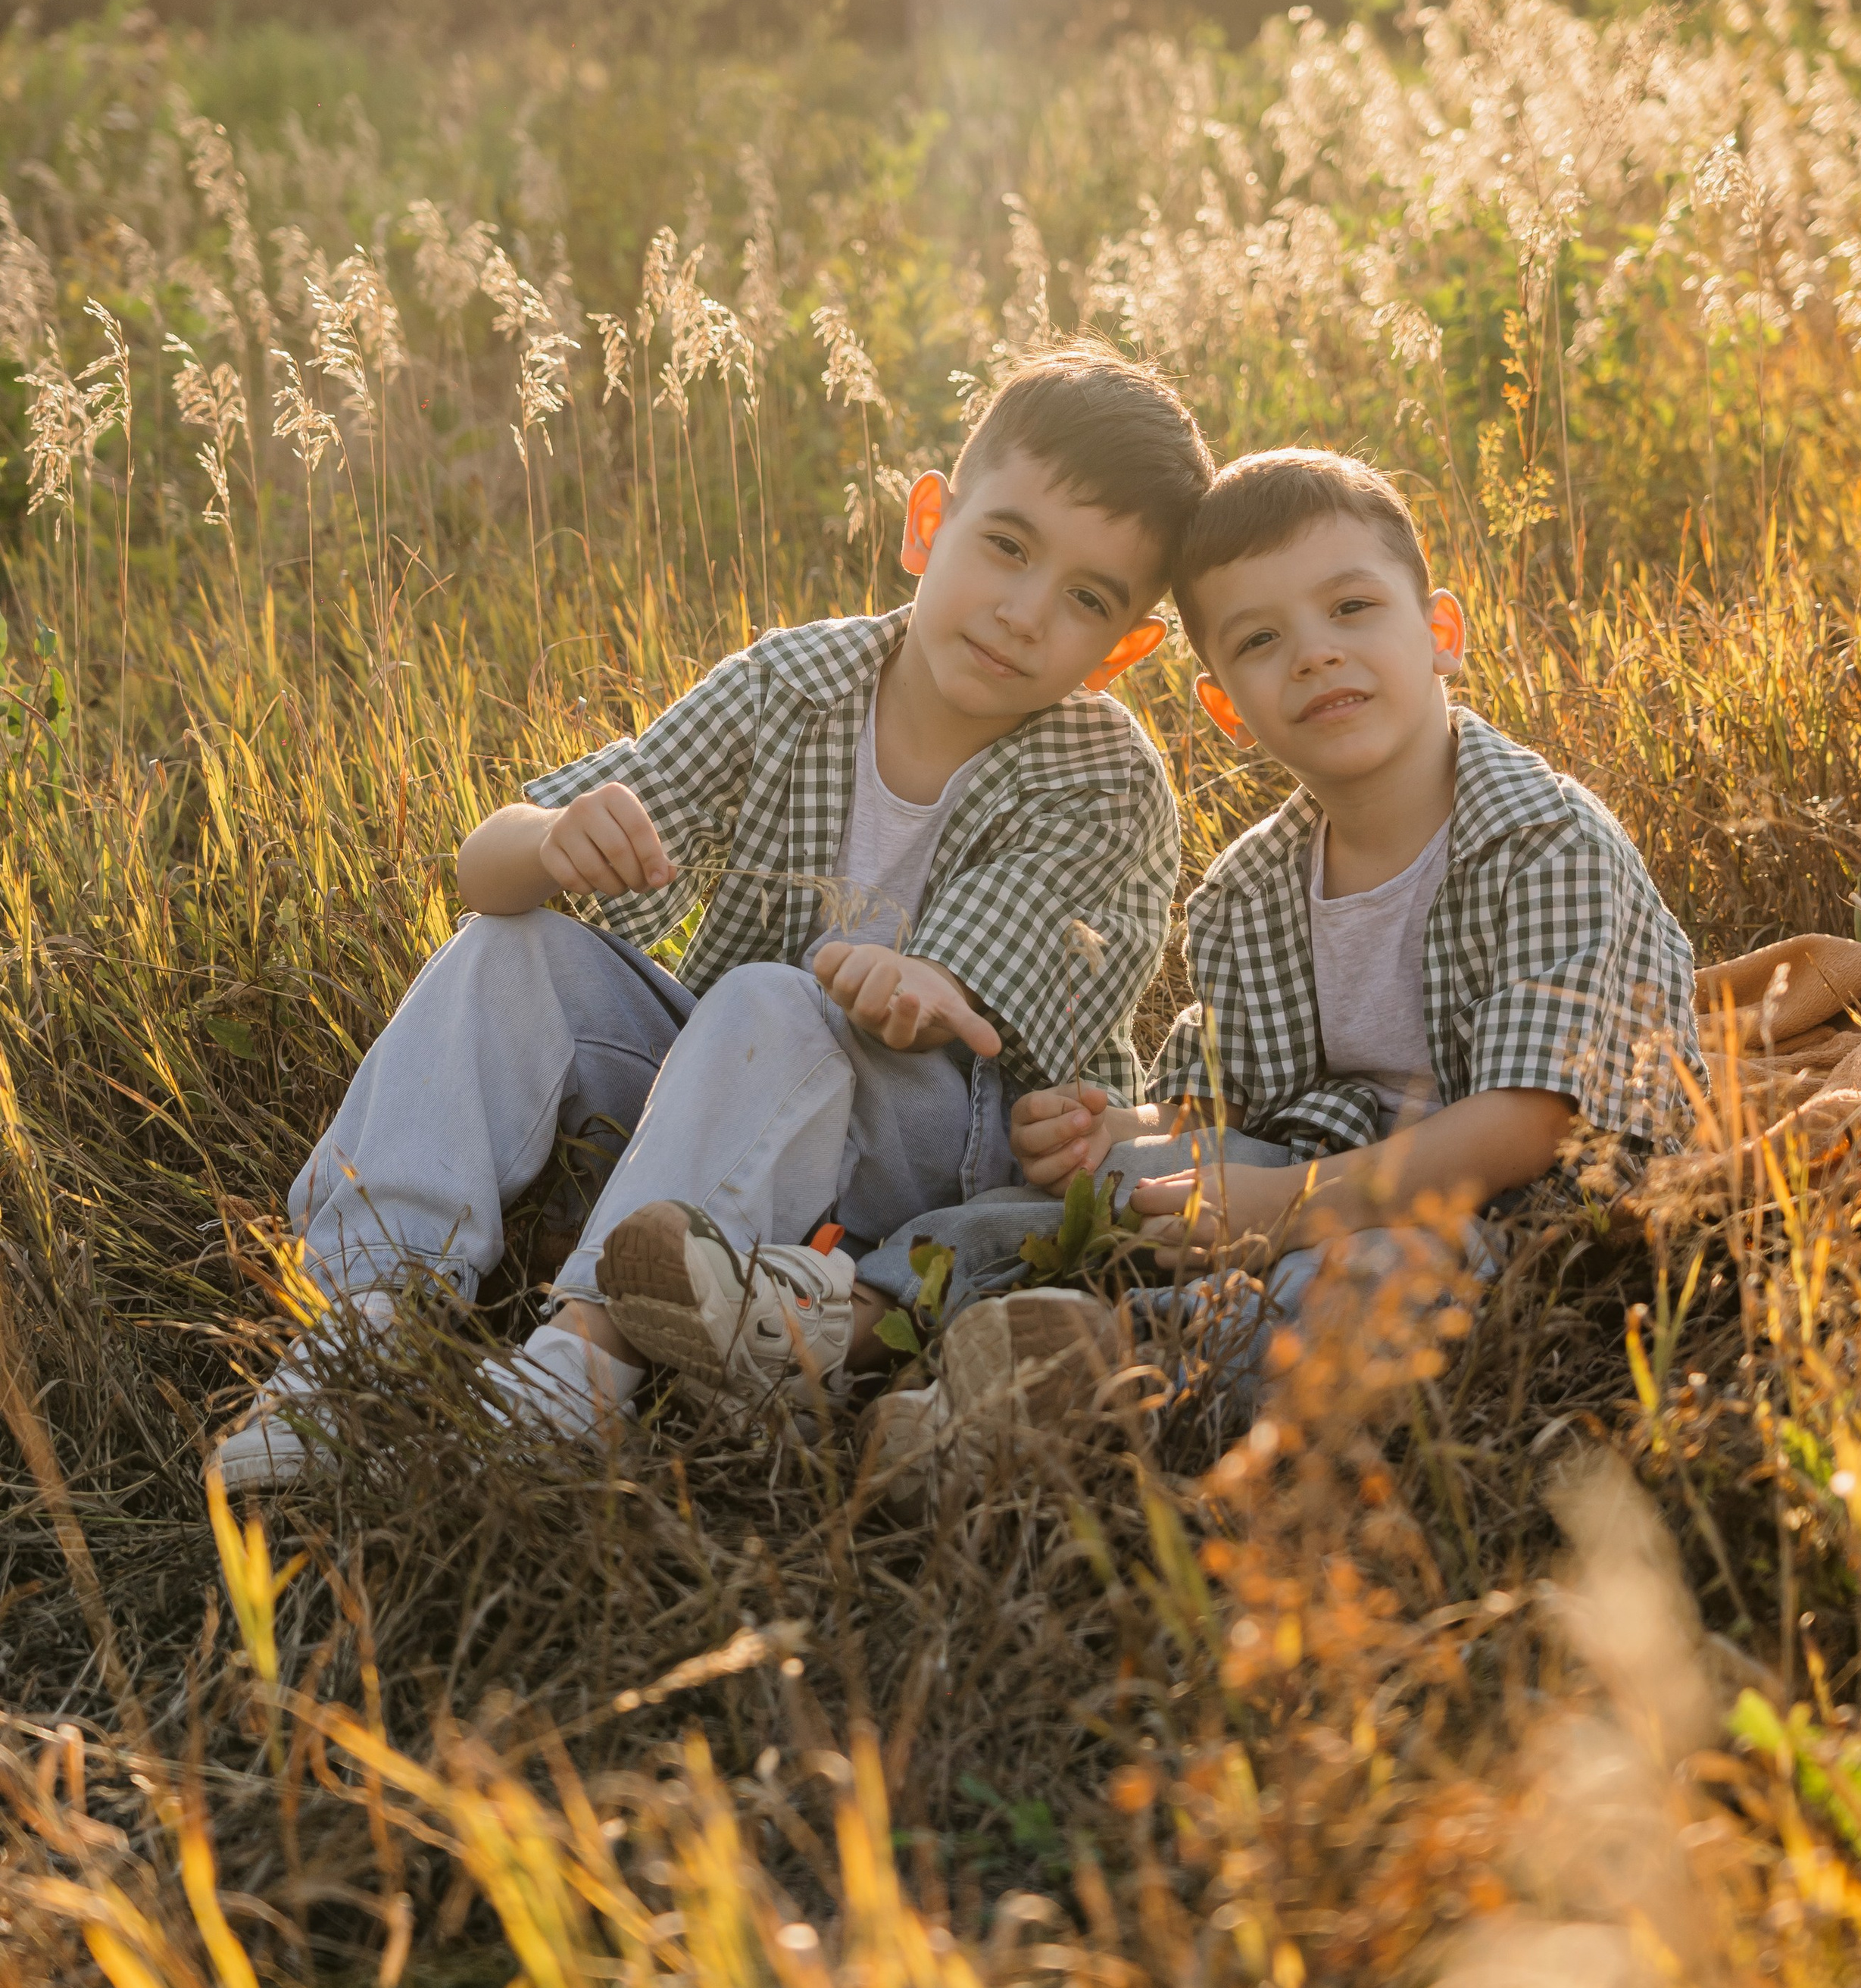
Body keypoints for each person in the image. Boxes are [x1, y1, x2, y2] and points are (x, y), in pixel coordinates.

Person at [217, 345, 1213, 1489]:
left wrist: (927, 985)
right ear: (929, 523)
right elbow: (482, 868)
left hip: (940, 1149)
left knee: (778, 997)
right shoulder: (796, 683)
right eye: (1008, 546)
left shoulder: (1105, 777)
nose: (1025, 613)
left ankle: (576, 1373)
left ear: (1126, 647)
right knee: (513, 945)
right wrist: (550, 843)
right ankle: (353, 1335)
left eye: (1088, 599)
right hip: (734, 1093)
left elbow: (957, 1007)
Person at [866, 445, 1698, 1443]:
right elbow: (1221, 1106)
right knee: (1125, 1186)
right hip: (1306, 1175)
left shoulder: (1543, 838)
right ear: (1227, 708)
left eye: (1351, 610)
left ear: (1439, 633)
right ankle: (850, 1322)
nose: (1314, 653)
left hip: (1510, 1215)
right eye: (1261, 640)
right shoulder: (1249, 890)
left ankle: (1103, 1397)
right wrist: (1112, 1129)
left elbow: (1532, 1123)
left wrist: (1286, 1203)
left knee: (1377, 1274)